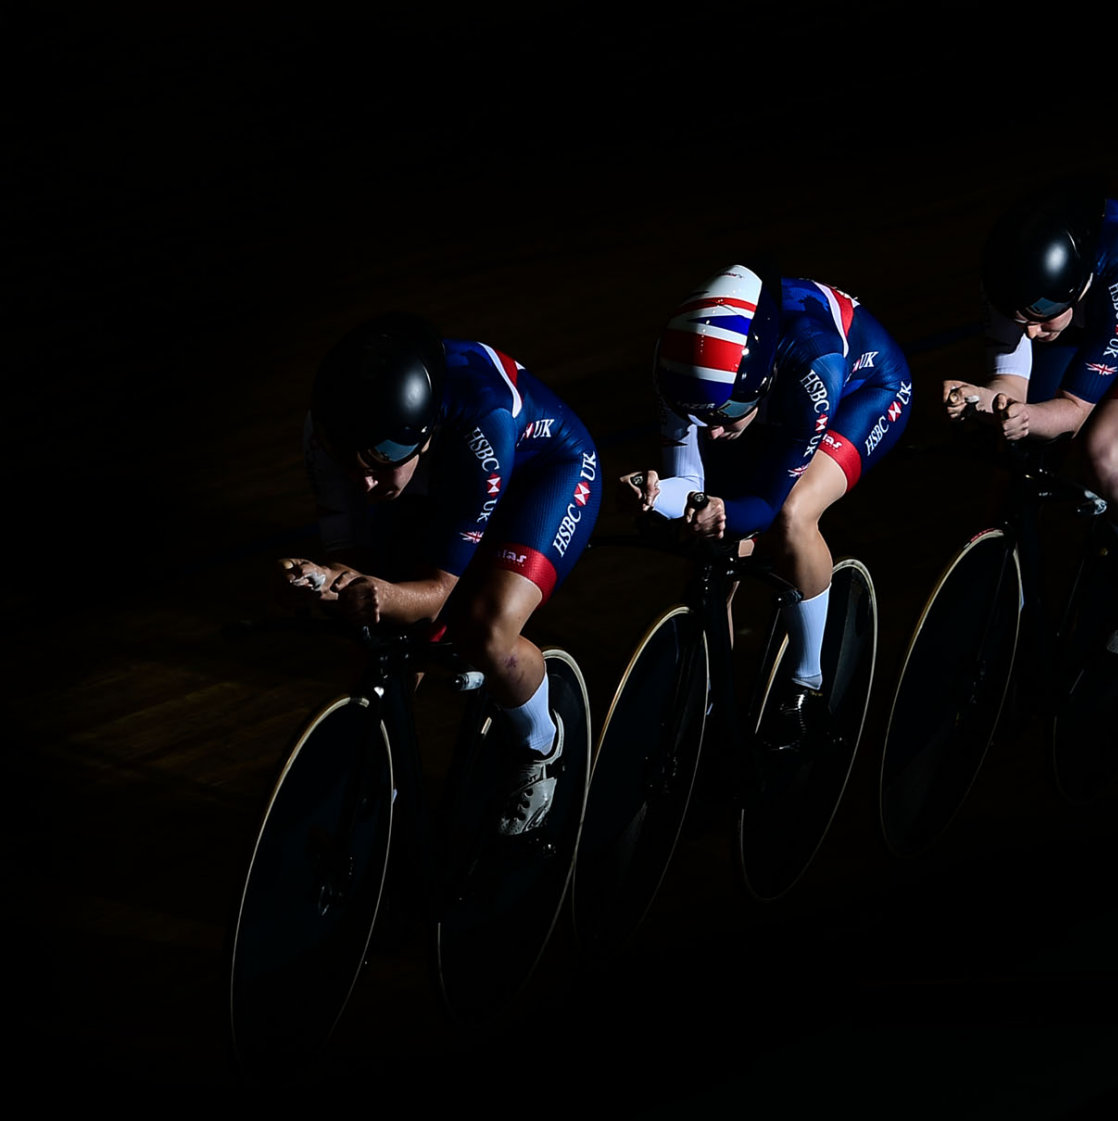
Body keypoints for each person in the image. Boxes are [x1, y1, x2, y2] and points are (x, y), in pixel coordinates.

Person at [278, 312, 601, 835]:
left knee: (485, 628)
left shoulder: (482, 422)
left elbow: (435, 594)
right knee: (393, 645)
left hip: (542, 475)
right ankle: (380, 785)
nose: (363, 484)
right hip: (442, 481)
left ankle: (542, 744)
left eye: (379, 464)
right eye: (351, 466)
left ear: (423, 437)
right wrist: (323, 578)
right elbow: (358, 563)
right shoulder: (330, 434)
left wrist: (384, 593)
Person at [627, 263, 912, 752]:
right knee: (713, 552)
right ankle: (708, 701)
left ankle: (807, 684)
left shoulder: (814, 367)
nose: (712, 432)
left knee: (792, 518)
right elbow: (692, 484)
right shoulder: (680, 366)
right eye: (701, 419)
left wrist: (727, 511)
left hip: (864, 391)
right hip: (769, 394)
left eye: (722, 417)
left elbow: (765, 504)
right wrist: (659, 495)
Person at [945, 186, 1118, 653]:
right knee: (1014, 453)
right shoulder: (1014, 277)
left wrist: (1031, 417)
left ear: (1074, 288)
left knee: (1109, 454)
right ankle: (1006, 589)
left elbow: (1074, 414)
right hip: (1088, 317)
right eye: (1019, 318)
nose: (1031, 333)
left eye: (1039, 317)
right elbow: (1010, 388)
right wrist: (988, 400)